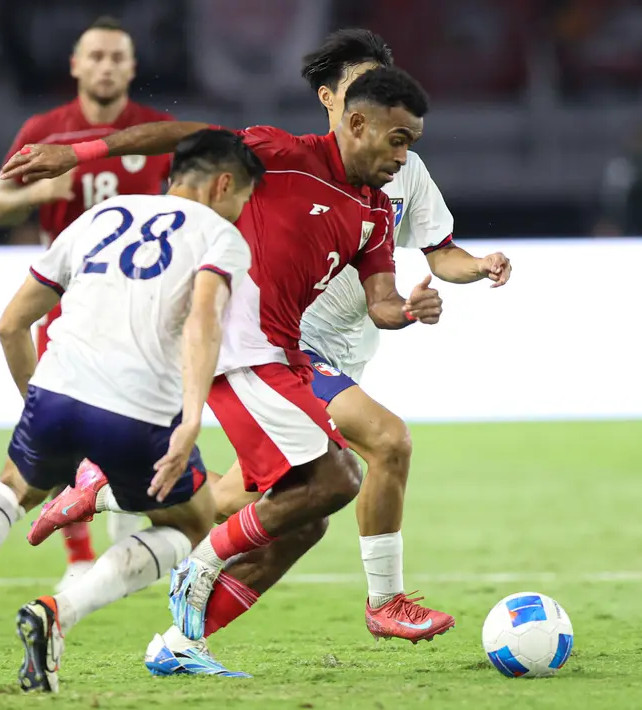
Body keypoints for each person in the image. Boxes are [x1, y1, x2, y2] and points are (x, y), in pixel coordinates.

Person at [2, 66, 443, 678]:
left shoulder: (375, 211)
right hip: (241, 345)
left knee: (303, 520)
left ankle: (176, 629)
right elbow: (179, 136)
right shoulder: (279, 152)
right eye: (397, 140)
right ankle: (204, 566)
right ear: (356, 123)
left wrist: (412, 310)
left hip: (282, 355)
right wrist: (75, 154)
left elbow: (381, 302)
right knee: (342, 475)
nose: (403, 157)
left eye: (412, 144)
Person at [138, 29, 515, 673]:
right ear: (337, 103)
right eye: (356, 90)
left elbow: (423, 264)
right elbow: (197, 168)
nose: (397, 142)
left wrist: (472, 268)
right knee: (385, 444)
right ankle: (385, 600)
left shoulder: (396, 180)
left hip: (348, 350)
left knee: (263, 504)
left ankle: (154, 578)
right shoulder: (282, 159)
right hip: (290, 349)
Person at [0, 129, 262, 685]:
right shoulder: (220, 237)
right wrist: (189, 419)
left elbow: (11, 324)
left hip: (58, 390)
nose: (239, 211)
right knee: (190, 522)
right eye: (242, 199)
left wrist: (37, 403)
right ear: (222, 184)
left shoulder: (99, 217)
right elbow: (205, 319)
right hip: (139, 410)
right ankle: (58, 613)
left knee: (15, 485)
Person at [0, 15, 175, 586]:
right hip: (67, 307)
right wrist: (41, 189)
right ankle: (78, 561)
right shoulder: (47, 129)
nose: (107, 66)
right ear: (75, 65)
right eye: (96, 57)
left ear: (132, 68)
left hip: (143, 309)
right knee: (62, 433)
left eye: (118, 58)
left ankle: (125, 519)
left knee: (144, 425)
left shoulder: (155, 131)